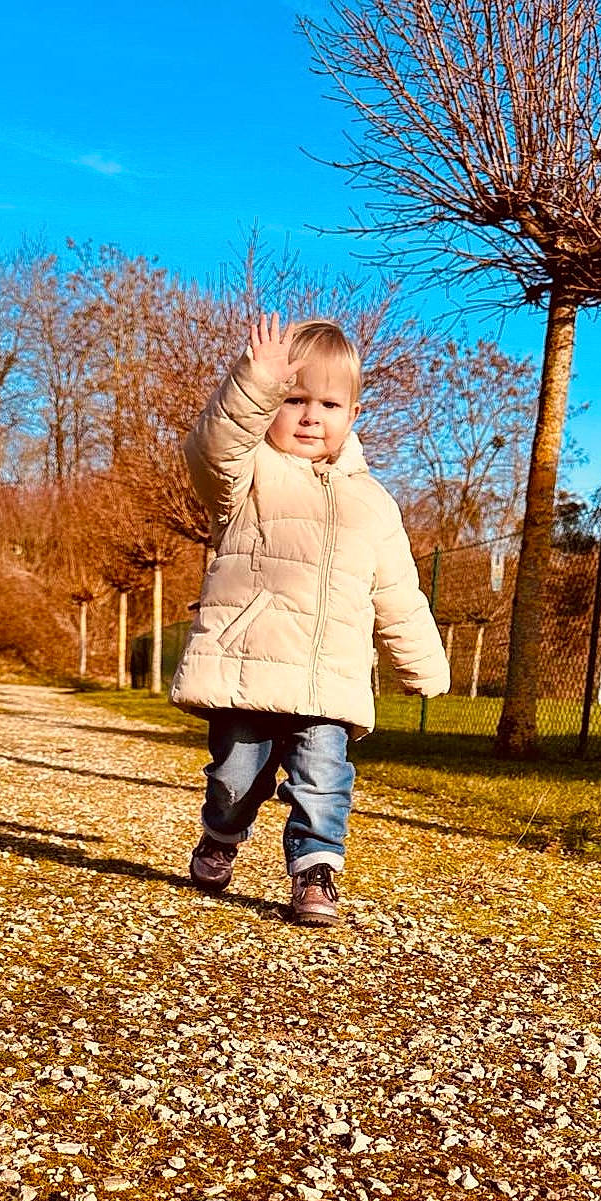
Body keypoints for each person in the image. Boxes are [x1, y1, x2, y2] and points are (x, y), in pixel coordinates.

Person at [170, 312, 450, 925]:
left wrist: (423, 664)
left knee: (324, 778)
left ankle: (316, 871)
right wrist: (253, 382)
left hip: (331, 680)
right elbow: (212, 448)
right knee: (234, 780)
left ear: (353, 414)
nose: (308, 416)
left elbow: (398, 590)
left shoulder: (373, 503)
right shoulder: (247, 478)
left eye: (327, 403)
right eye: (293, 398)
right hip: (250, 673)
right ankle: (221, 835)